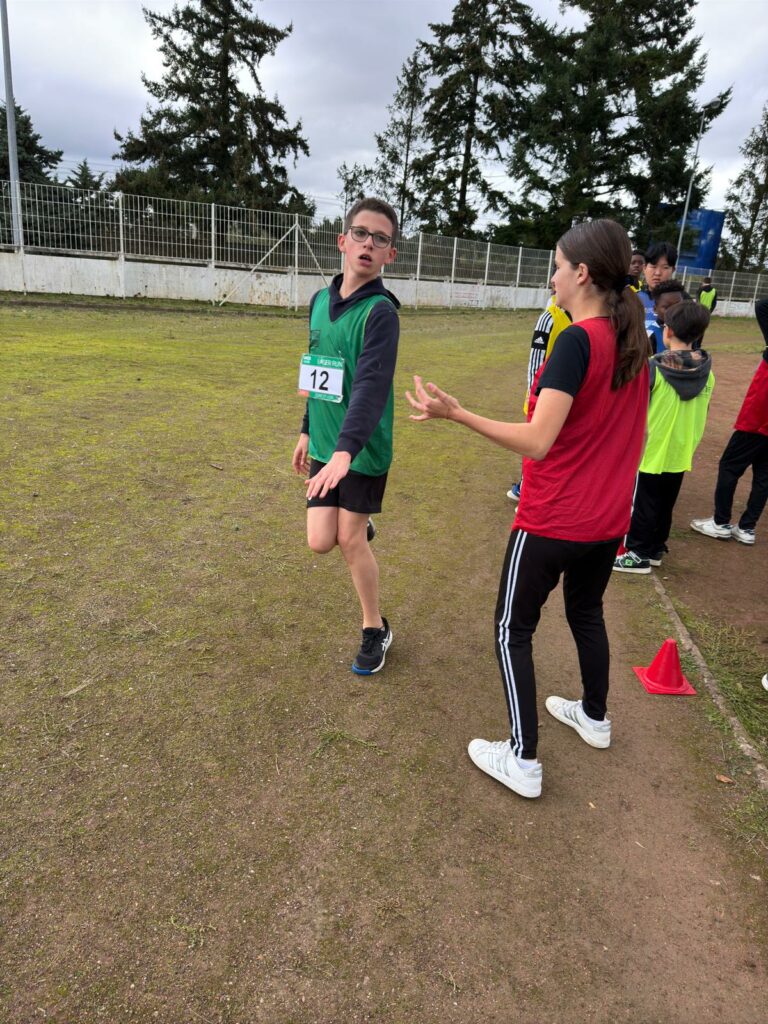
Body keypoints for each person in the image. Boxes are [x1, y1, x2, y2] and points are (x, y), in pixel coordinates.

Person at [406, 219, 649, 799]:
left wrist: (457, 415)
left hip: (554, 518)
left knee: (511, 628)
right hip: (607, 521)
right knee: (586, 613)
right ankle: (595, 716)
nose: (552, 278)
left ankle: (523, 758)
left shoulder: (578, 341)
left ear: (582, 273)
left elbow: (538, 441)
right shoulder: (634, 344)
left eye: (558, 267)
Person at [292, 197, 400, 675]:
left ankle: (375, 628)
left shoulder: (381, 314)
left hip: (362, 450)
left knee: (350, 540)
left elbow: (370, 389)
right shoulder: (318, 302)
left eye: (380, 239)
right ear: (342, 241)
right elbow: (317, 371)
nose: (368, 244)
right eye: (360, 233)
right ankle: (358, 525)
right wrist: (307, 430)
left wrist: (345, 451)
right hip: (325, 445)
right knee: (320, 542)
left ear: (390, 254)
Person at [614, 301, 714, 574]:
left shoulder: (654, 368)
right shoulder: (708, 372)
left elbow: (635, 408)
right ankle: (656, 548)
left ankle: (637, 554)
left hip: (651, 449)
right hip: (681, 450)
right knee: (665, 503)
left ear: (667, 331)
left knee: (643, 503)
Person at [691, 297, 768, 546]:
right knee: (764, 474)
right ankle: (747, 528)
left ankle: (721, 522)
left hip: (759, 417)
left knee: (730, 466)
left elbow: (763, 304)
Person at [507, 295, 572, 501]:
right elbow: (535, 363)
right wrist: (534, 399)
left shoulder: (583, 318)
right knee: (537, 445)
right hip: (544, 397)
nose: (553, 280)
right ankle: (526, 488)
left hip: (566, 397)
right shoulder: (549, 318)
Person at [646, 279, 689, 354]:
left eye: (678, 305)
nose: (674, 310)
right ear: (655, 309)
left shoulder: (689, 331)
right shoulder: (650, 335)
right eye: (667, 307)